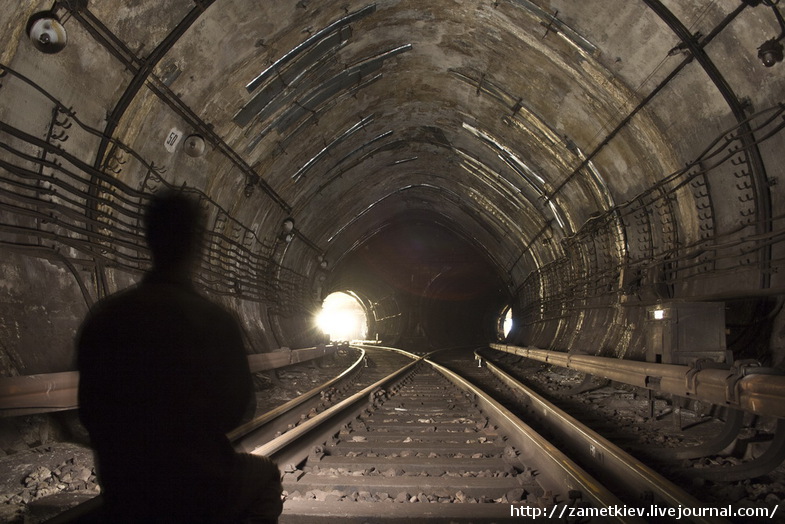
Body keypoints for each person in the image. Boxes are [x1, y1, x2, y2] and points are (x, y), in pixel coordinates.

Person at [76, 190, 282, 523]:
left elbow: (89, 413)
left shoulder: (105, 317)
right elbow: (238, 410)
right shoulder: (213, 319)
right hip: (197, 489)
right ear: (197, 245)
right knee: (266, 476)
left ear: (149, 238)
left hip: (125, 490)